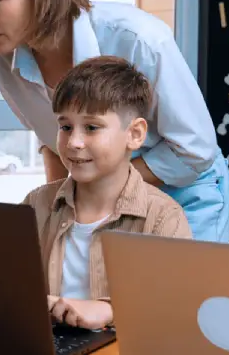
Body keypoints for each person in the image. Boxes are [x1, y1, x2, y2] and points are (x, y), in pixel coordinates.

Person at [0, 0, 229, 242]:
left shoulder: (138, 39)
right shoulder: (5, 64)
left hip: (185, 194)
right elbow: (54, 145)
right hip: (103, 201)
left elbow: (194, 151)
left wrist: (94, 188)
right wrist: (59, 217)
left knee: (175, 294)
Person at [22, 56, 192, 330]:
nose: (74, 142)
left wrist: (110, 310)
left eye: (91, 127)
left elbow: (175, 311)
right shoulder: (35, 204)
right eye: (65, 127)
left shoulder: (164, 218)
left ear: (135, 134)